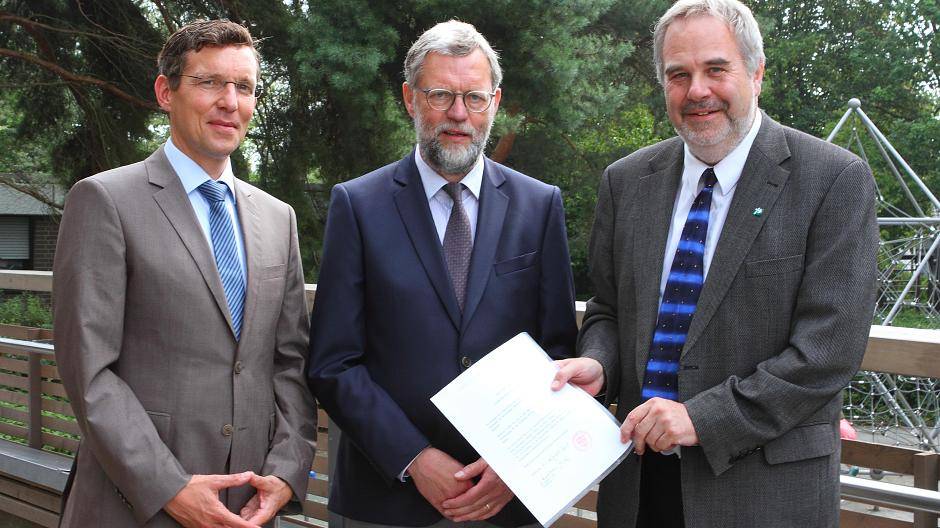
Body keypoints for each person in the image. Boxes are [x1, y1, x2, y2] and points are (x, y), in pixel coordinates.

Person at [552, 1, 878, 526]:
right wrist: (601, 365)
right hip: (639, 484)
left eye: (715, 69)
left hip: (763, 491)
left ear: (756, 72)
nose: (696, 90)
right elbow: (609, 310)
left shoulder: (833, 180)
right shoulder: (626, 180)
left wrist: (700, 419)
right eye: (678, 74)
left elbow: (828, 351)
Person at [307, 20, 578, 528]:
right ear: (410, 99)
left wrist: (513, 465)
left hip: (502, 500)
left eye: (474, 98)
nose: (459, 114)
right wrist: (414, 458)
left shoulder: (539, 206)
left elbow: (557, 353)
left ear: (495, 103)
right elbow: (332, 363)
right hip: (385, 499)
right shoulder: (357, 205)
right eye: (441, 95)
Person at [53, 19, 317, 527]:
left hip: (249, 507)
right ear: (165, 92)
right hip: (133, 505)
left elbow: (289, 362)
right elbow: (89, 372)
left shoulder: (277, 218)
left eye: (244, 87)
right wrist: (168, 486)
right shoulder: (105, 200)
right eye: (209, 82)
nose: (229, 102)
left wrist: (286, 472)